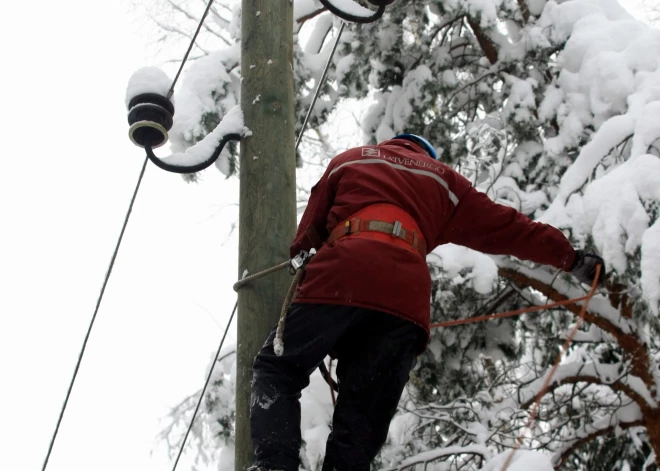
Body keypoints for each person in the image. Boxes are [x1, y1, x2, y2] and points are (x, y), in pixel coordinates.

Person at [248, 135, 605, 471]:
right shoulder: (446, 183)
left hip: (342, 270)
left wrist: (315, 287)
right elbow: (511, 229)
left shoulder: (350, 160)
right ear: (427, 156)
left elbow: (308, 237)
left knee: (279, 369)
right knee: (361, 419)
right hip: (404, 296)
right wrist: (571, 259)